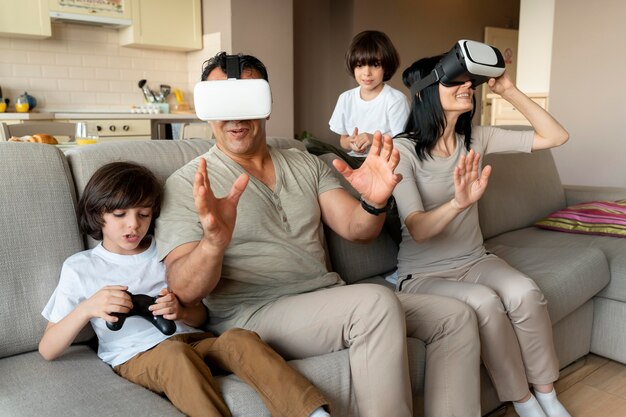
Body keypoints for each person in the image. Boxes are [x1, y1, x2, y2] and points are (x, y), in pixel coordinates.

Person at [155, 51, 481, 417]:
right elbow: (182, 289)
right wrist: (213, 243)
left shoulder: (304, 162)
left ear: (266, 103)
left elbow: (357, 231)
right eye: (222, 102)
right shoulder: (187, 183)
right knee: (374, 303)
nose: (235, 115)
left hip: (325, 298)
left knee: (456, 317)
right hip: (252, 314)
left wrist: (374, 202)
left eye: (247, 97)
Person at [39, 161, 330, 417]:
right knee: (176, 358)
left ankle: (313, 413)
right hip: (140, 355)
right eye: (120, 215)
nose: (134, 225)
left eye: (143, 214)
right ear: (97, 214)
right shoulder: (81, 267)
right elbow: (48, 349)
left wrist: (181, 310)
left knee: (240, 339)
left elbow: (201, 316)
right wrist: (87, 307)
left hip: (194, 339)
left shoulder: (164, 251)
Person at [392, 55, 571, 417]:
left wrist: (508, 90)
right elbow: (418, 228)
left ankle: (548, 396)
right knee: (486, 303)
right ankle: (522, 402)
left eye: (468, 82)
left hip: (475, 259)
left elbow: (556, 136)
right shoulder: (402, 150)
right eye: (455, 81)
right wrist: (459, 203)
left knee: (525, 292)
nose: (467, 87)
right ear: (425, 92)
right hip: (423, 274)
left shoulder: (475, 139)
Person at [329, 30, 409, 158]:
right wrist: (350, 143)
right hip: (354, 160)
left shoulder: (396, 100)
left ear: (386, 66)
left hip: (385, 162)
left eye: (375, 65)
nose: (366, 73)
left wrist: (375, 140)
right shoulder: (345, 98)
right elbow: (343, 140)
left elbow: (405, 144)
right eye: (360, 65)